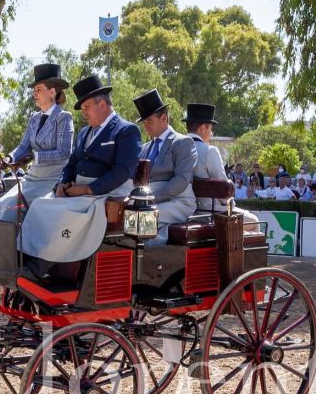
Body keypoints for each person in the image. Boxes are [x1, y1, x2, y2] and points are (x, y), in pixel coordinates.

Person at [19, 74, 140, 271]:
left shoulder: (126, 130)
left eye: (86, 107)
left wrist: (88, 189)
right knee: (40, 205)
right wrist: (61, 184)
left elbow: (123, 171)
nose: (83, 113)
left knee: (62, 214)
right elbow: (71, 164)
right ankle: (25, 256)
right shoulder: (85, 133)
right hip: (79, 193)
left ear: (102, 105)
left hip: (106, 194)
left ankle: (41, 267)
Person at [0, 63, 74, 221]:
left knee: (11, 209)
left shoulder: (64, 117)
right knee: (2, 203)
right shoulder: (34, 118)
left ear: (52, 92)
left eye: (38, 90)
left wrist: (34, 157)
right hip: (31, 178)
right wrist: (9, 158)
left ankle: (16, 244)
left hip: (50, 180)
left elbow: (64, 153)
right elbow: (23, 146)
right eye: (34, 90)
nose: (34, 94)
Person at [132, 89, 197, 229]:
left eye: (149, 121)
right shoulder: (144, 148)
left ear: (164, 119)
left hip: (179, 201)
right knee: (125, 212)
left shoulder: (183, 142)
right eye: (144, 122)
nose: (146, 126)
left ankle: (148, 250)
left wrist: (151, 198)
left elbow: (182, 180)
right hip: (149, 201)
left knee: (142, 216)